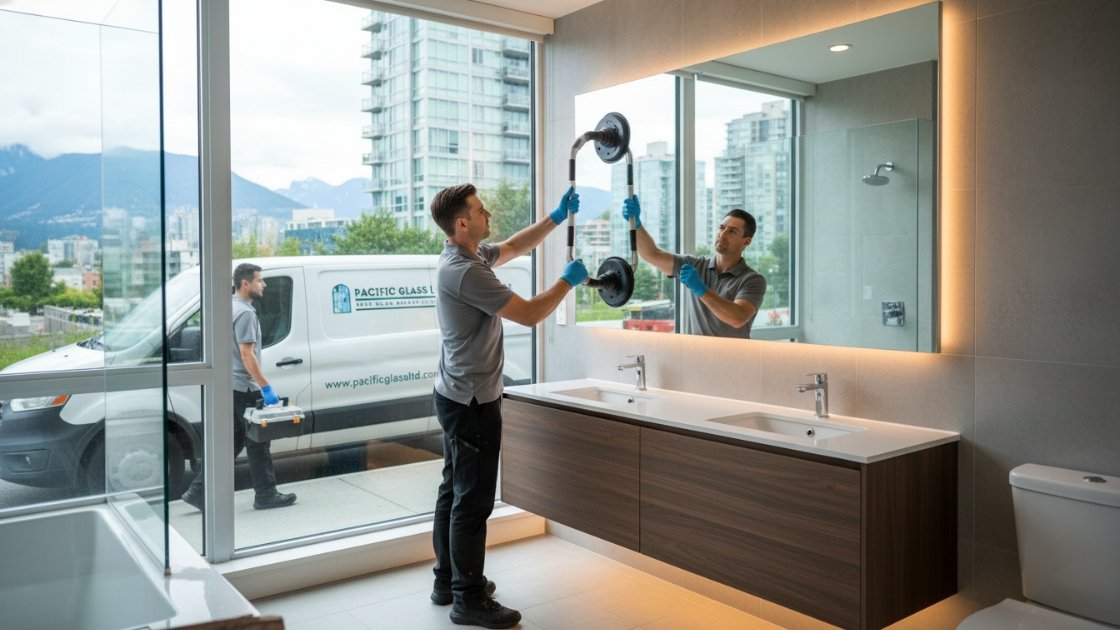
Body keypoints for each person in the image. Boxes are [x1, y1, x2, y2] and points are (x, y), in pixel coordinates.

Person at [429, 183, 587, 629]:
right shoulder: (466, 271)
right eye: (481, 210)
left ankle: (449, 580)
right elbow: (531, 313)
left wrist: (556, 217)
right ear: (463, 223)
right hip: (472, 400)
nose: (489, 213)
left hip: (456, 392)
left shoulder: (470, 256)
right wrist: (567, 282)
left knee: (453, 490)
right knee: (472, 501)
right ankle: (468, 599)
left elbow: (516, 245)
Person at [180, 263, 297, 512]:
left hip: (230, 386)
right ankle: (266, 495)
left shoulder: (227, 306)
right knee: (258, 443)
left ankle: (197, 492)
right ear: (246, 283)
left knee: (231, 442)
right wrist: (266, 388)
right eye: (260, 280)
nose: (264, 285)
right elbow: (247, 356)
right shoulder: (245, 313)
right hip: (245, 388)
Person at [622, 196, 766, 338]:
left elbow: (737, 318)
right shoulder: (694, 266)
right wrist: (636, 225)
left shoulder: (752, 280)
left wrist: (701, 289)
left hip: (731, 360)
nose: (723, 234)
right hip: (693, 357)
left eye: (732, 231)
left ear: (746, 242)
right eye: (721, 228)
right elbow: (652, 254)